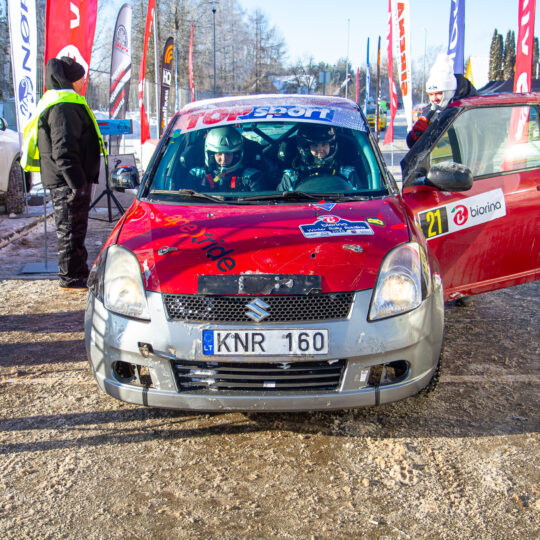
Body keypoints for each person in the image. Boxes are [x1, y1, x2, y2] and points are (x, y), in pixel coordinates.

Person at [21, 57, 105, 291]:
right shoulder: (64, 106)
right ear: (71, 80)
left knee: (74, 229)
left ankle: (78, 271)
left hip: (68, 180)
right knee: (70, 229)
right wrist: (77, 184)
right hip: (68, 181)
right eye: (81, 78)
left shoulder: (61, 102)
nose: (84, 82)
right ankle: (71, 277)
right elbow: (64, 150)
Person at [406, 53, 478, 149]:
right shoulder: (429, 113)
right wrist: (413, 137)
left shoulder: (468, 110)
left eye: (439, 93)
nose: (434, 98)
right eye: (431, 94)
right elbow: (414, 148)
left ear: (449, 92)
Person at [278, 124, 360, 191]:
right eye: (315, 145)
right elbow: (280, 202)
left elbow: (360, 198)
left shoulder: (347, 173)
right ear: (306, 148)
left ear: (331, 146)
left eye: (324, 144)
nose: (320, 149)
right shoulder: (292, 177)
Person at [189, 126, 264, 191]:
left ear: (236, 155)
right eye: (219, 154)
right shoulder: (198, 174)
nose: (224, 159)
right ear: (211, 155)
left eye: (228, 154)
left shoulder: (251, 177)